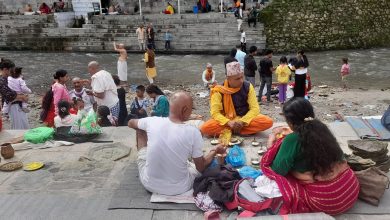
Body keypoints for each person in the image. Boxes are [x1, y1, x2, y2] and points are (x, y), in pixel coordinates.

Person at [261, 98, 359, 215]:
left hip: (328, 201)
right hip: (350, 189)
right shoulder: (323, 130)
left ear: (291, 123)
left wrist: (271, 144)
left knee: (283, 175)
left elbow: (278, 170)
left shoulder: (292, 140)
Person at [128, 91, 227, 195]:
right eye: (190, 110)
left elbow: (131, 123)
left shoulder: (152, 121)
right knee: (194, 163)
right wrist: (214, 150)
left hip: (150, 184)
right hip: (179, 188)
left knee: (140, 129)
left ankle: (151, 159)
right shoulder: (193, 132)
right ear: (184, 110)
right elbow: (200, 167)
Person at [200, 62, 273, 136]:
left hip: (244, 119)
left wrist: (242, 121)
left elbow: (255, 109)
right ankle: (240, 130)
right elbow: (215, 113)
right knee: (205, 128)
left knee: (267, 121)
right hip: (227, 120)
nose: (241, 80)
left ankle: (230, 131)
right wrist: (228, 122)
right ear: (228, 79)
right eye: (237, 78)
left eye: (242, 77)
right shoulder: (218, 90)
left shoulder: (248, 86)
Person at [0, 60, 29, 130]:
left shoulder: (7, 78)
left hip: (16, 104)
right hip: (13, 106)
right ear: (5, 69)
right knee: (18, 127)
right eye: (11, 70)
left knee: (23, 124)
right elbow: (9, 95)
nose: (13, 72)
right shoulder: (1, 80)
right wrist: (22, 97)